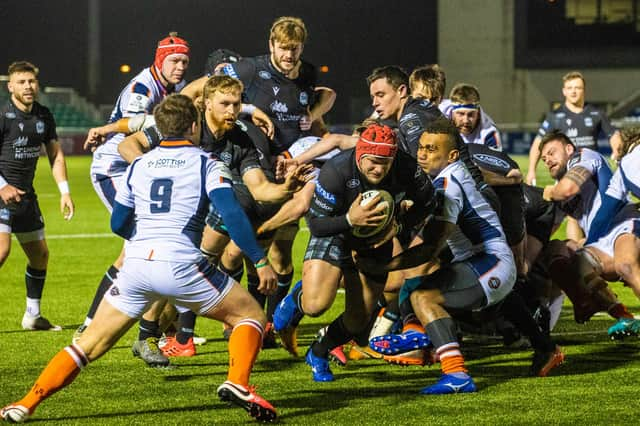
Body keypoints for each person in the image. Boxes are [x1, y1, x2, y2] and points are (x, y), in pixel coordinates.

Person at [0, 94, 278, 423]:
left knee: (87, 346)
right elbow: (232, 214)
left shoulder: (139, 165)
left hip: (135, 266)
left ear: (160, 128)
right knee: (251, 316)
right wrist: (260, 262)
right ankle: (238, 383)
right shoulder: (207, 162)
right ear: (194, 126)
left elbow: (117, 223)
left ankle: (25, 403)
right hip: (181, 263)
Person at [362, 118, 563, 394]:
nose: (422, 154)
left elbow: (431, 246)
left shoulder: (448, 183)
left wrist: (386, 265)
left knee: (422, 296)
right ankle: (546, 348)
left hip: (491, 262)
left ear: (452, 155)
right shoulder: (448, 175)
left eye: (432, 149)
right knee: (484, 301)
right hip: (485, 260)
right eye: (421, 147)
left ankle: (455, 372)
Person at [117, 75, 312, 355]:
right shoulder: (185, 126)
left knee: (183, 275)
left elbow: (258, 188)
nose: (232, 110)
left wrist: (286, 189)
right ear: (207, 103)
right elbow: (127, 145)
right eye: (225, 104)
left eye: (236, 104)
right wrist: (154, 169)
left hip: (201, 218)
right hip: (171, 215)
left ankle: (163, 336)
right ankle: (144, 333)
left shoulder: (240, 139)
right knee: (166, 271)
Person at [273, 123, 437, 381]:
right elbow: (316, 225)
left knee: (358, 320)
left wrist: (400, 224)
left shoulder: (407, 168)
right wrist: (350, 219)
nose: (379, 168)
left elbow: (428, 203)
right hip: (335, 231)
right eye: (373, 161)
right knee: (316, 305)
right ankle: (296, 300)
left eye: (386, 161)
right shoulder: (336, 171)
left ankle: (319, 350)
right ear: (360, 155)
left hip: (376, 237)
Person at [79, 32, 191, 366]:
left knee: (150, 247)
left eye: (184, 60)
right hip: (114, 169)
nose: (180, 65)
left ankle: (165, 329)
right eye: (174, 60)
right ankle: (89, 326)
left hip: (138, 171)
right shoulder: (141, 89)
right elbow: (132, 135)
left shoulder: (172, 88)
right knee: (137, 248)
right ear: (159, 60)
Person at [539, 130, 640, 338]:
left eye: (551, 152)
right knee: (558, 252)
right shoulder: (559, 190)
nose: (547, 159)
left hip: (621, 223)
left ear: (569, 149)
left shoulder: (585, 156)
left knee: (626, 265)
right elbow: (549, 228)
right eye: (544, 158)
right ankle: (621, 314)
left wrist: (547, 192)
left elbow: (568, 189)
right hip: (600, 239)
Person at [0, 61, 75, 331]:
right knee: (1, 251)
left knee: (40, 255)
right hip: (1, 195)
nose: (28, 86)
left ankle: (32, 316)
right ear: (10, 86)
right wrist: (2, 186)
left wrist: (64, 192)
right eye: (21, 82)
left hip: (26, 197)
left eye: (31, 81)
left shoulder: (43, 115)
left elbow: (55, 154)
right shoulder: (2, 114)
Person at [526, 71, 620, 186]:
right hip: (565, 175)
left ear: (584, 90)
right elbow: (538, 143)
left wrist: (616, 150)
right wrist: (531, 171)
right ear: (564, 91)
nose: (573, 92)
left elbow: (613, 134)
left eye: (577, 88)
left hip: (592, 172)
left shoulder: (596, 113)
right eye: (569, 88)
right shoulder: (554, 116)